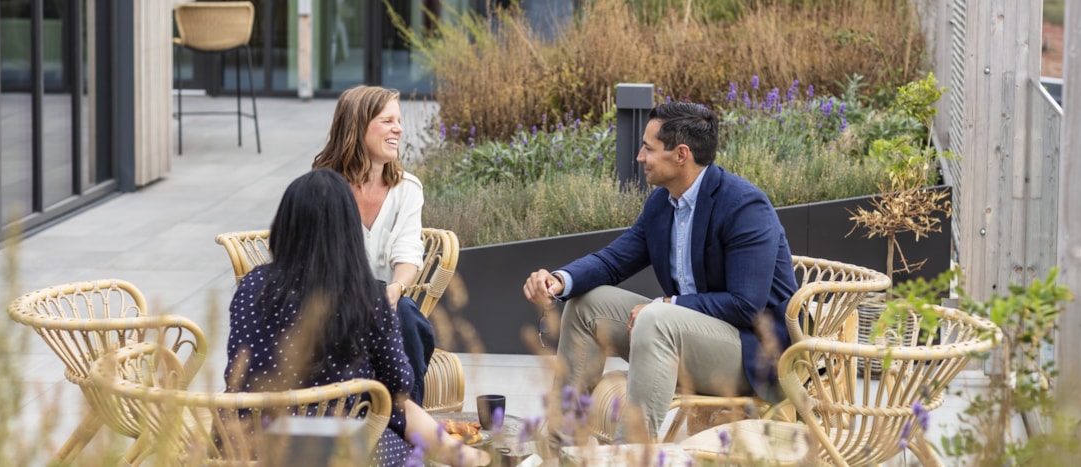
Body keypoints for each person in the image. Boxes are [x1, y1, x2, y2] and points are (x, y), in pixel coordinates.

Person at [521, 102, 799, 439]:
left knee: (655, 318)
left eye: (648, 148)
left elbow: (746, 305)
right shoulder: (662, 203)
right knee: (586, 305)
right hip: (681, 335)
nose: (640, 157)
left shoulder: (744, 206)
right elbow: (613, 261)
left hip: (751, 353)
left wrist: (667, 305)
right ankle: (563, 445)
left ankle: (631, 455)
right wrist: (559, 280)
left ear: (681, 154)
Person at [225, 169, 488, 466]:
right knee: (397, 420)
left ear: (285, 225)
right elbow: (399, 385)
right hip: (330, 449)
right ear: (348, 230)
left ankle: (467, 458)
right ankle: (470, 459)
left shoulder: (251, 285)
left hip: (242, 443)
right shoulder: (365, 296)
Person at [311, 85, 436, 405]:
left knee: (406, 313)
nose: (399, 128)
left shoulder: (407, 189)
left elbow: (409, 254)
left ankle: (405, 419)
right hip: (331, 307)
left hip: (387, 305)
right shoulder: (324, 187)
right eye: (387, 121)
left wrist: (394, 289)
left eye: (399, 120)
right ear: (357, 126)